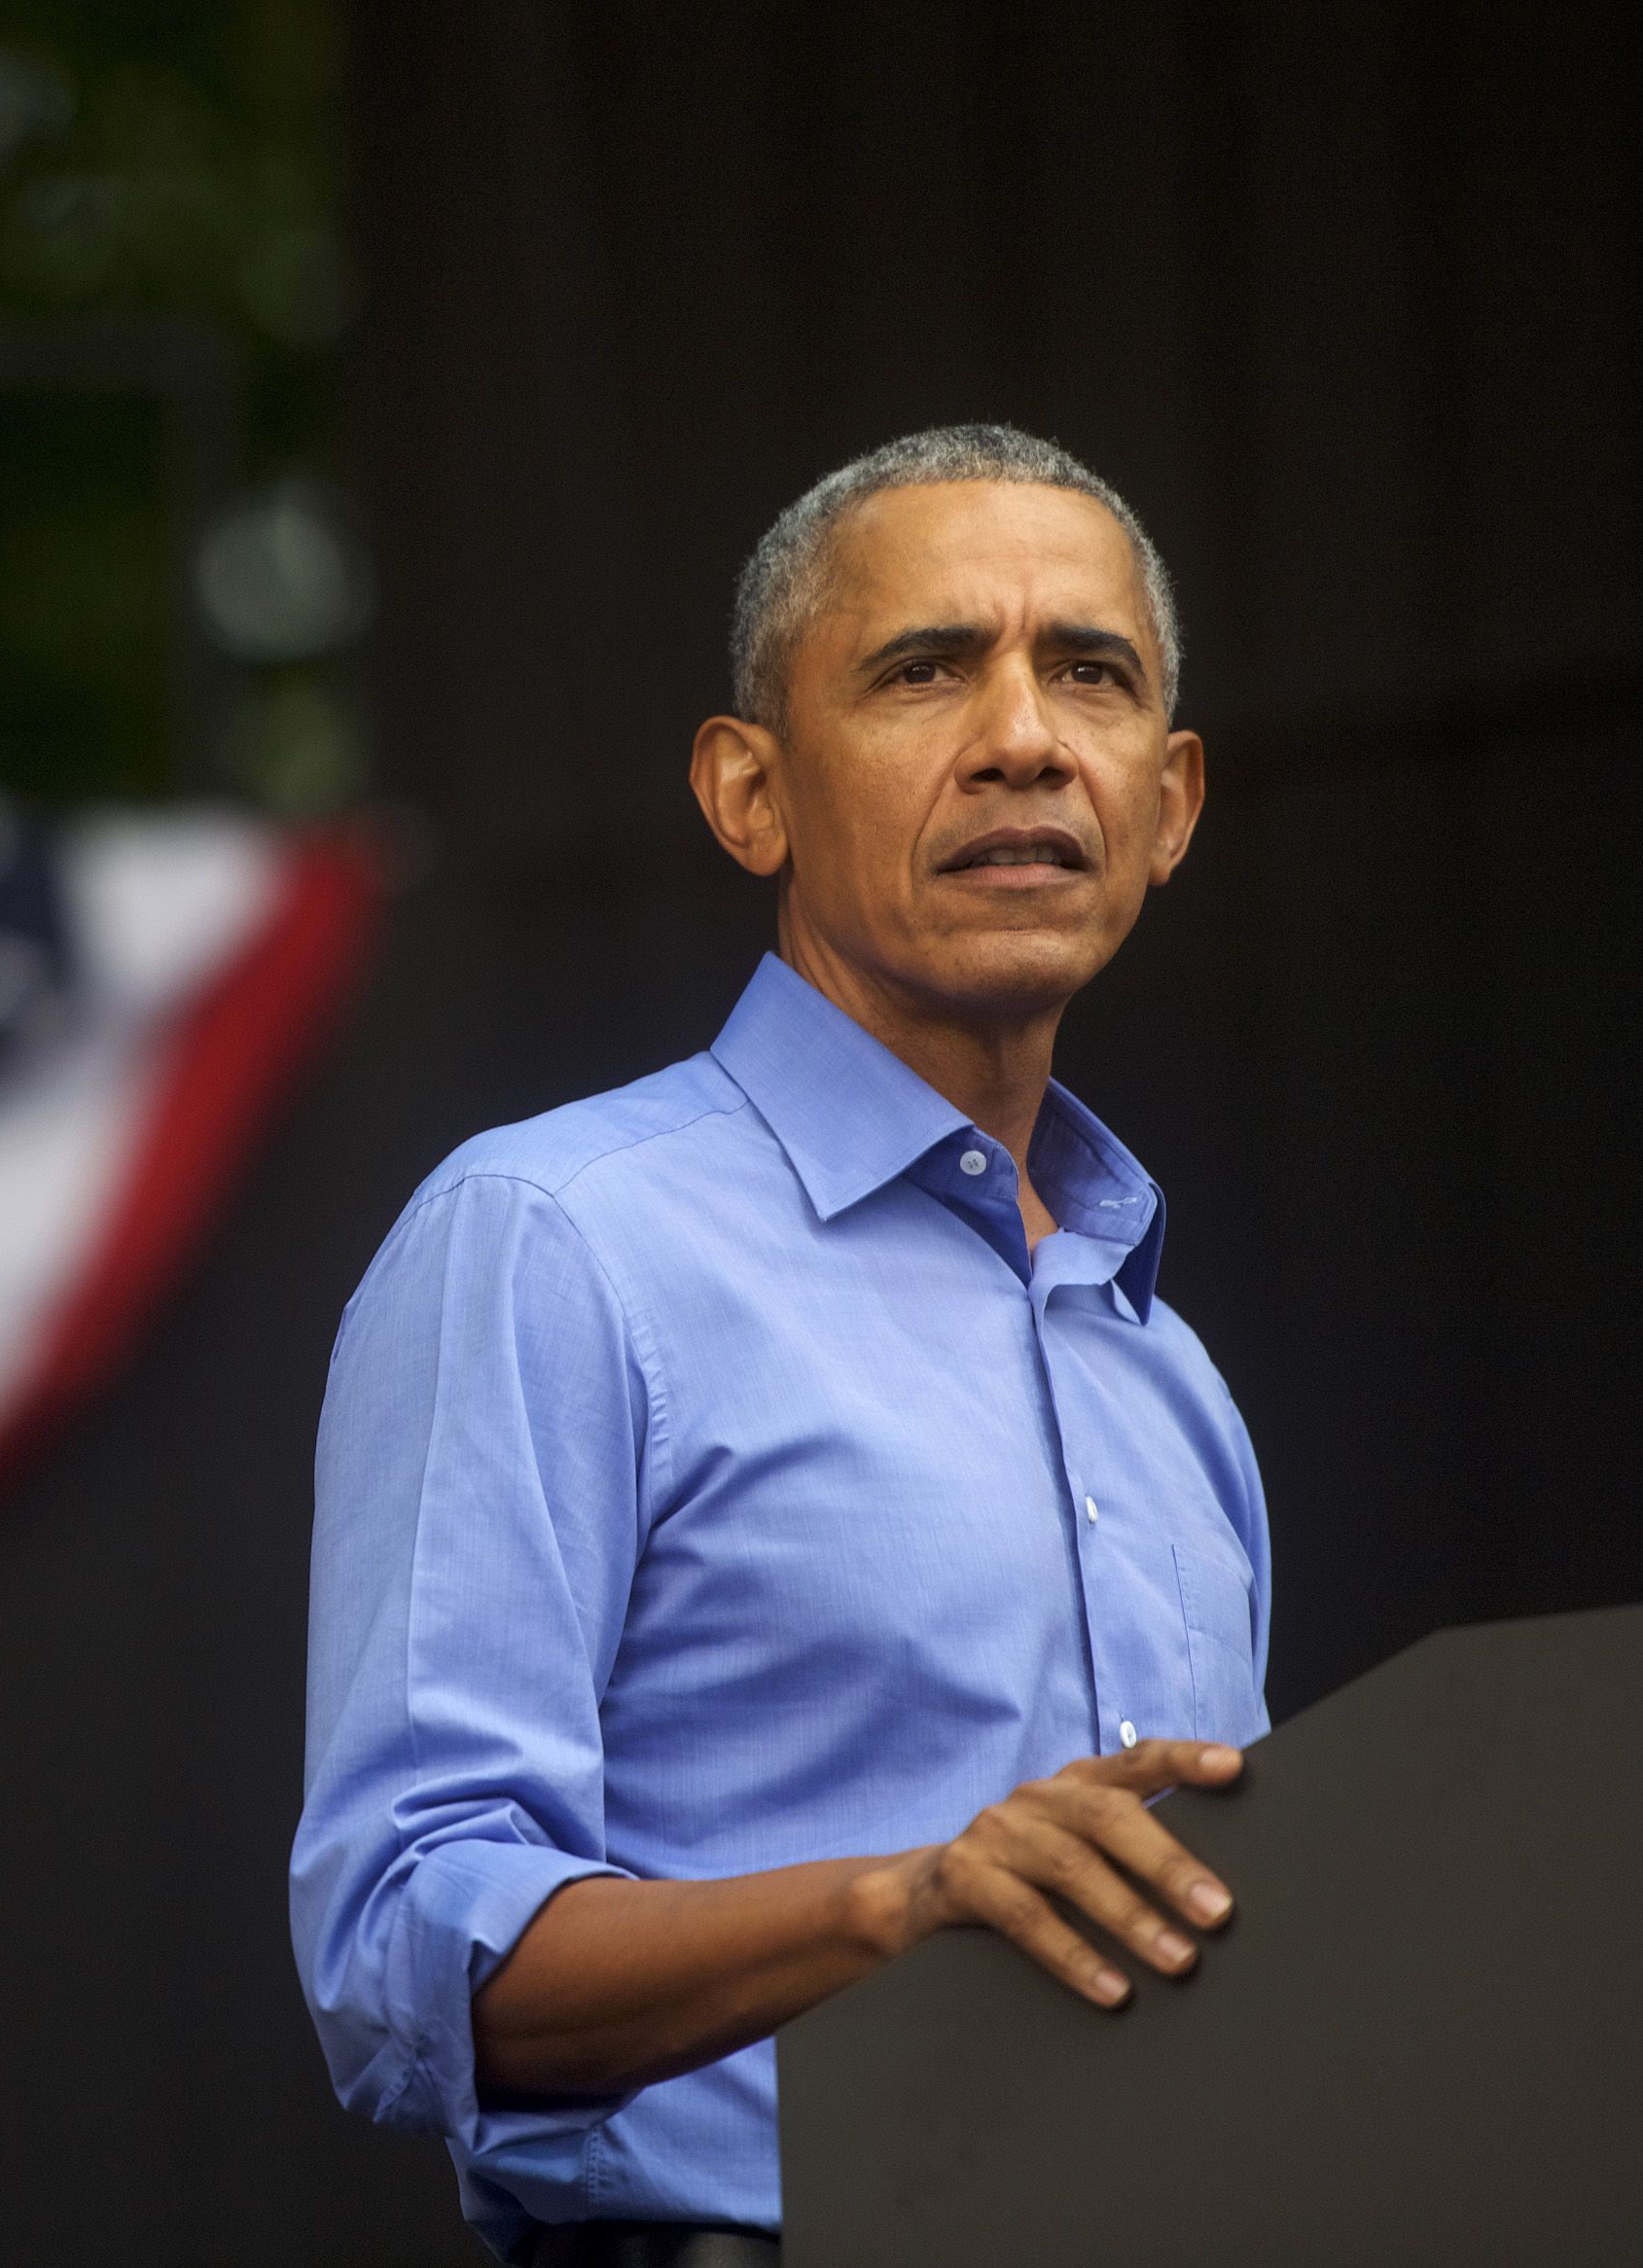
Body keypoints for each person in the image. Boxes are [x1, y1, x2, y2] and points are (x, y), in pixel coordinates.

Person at [290, 425, 1269, 2267]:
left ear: (1170, 801)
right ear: (749, 795)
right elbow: (403, 1947)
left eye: (1092, 674)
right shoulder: (556, 1241)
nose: (1023, 737)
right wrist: (895, 1905)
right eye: (924, 670)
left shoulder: (1172, 1372)